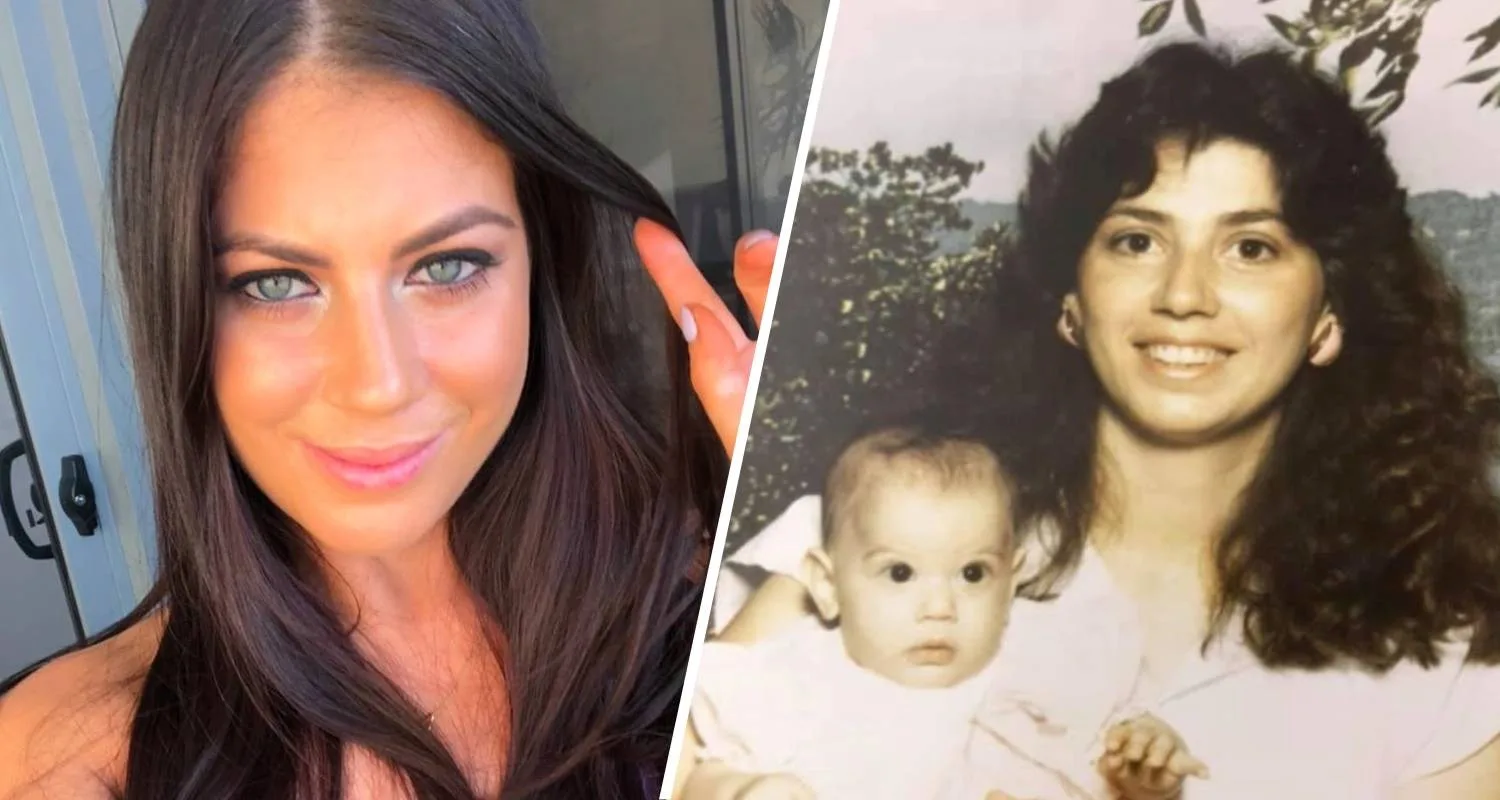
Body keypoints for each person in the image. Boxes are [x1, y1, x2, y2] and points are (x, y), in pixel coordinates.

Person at [0, 1, 774, 798]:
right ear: (182, 304)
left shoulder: (718, 603)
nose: (379, 384)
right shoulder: (64, 757)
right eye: (275, 284)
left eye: (445, 267)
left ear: (540, 263)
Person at [700, 41, 1500, 799]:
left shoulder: (1445, 652)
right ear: (1071, 303)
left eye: (1251, 247)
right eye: (1137, 240)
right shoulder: (883, 531)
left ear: (1330, 314)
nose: (1185, 294)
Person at [685, 427, 1204, 800]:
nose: (940, 608)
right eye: (900, 574)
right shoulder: (797, 677)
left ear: (1011, 580)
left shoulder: (1045, 674)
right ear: (828, 584)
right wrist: (746, 791)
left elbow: (1108, 768)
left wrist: (1147, 775)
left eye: (973, 575)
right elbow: (698, 774)